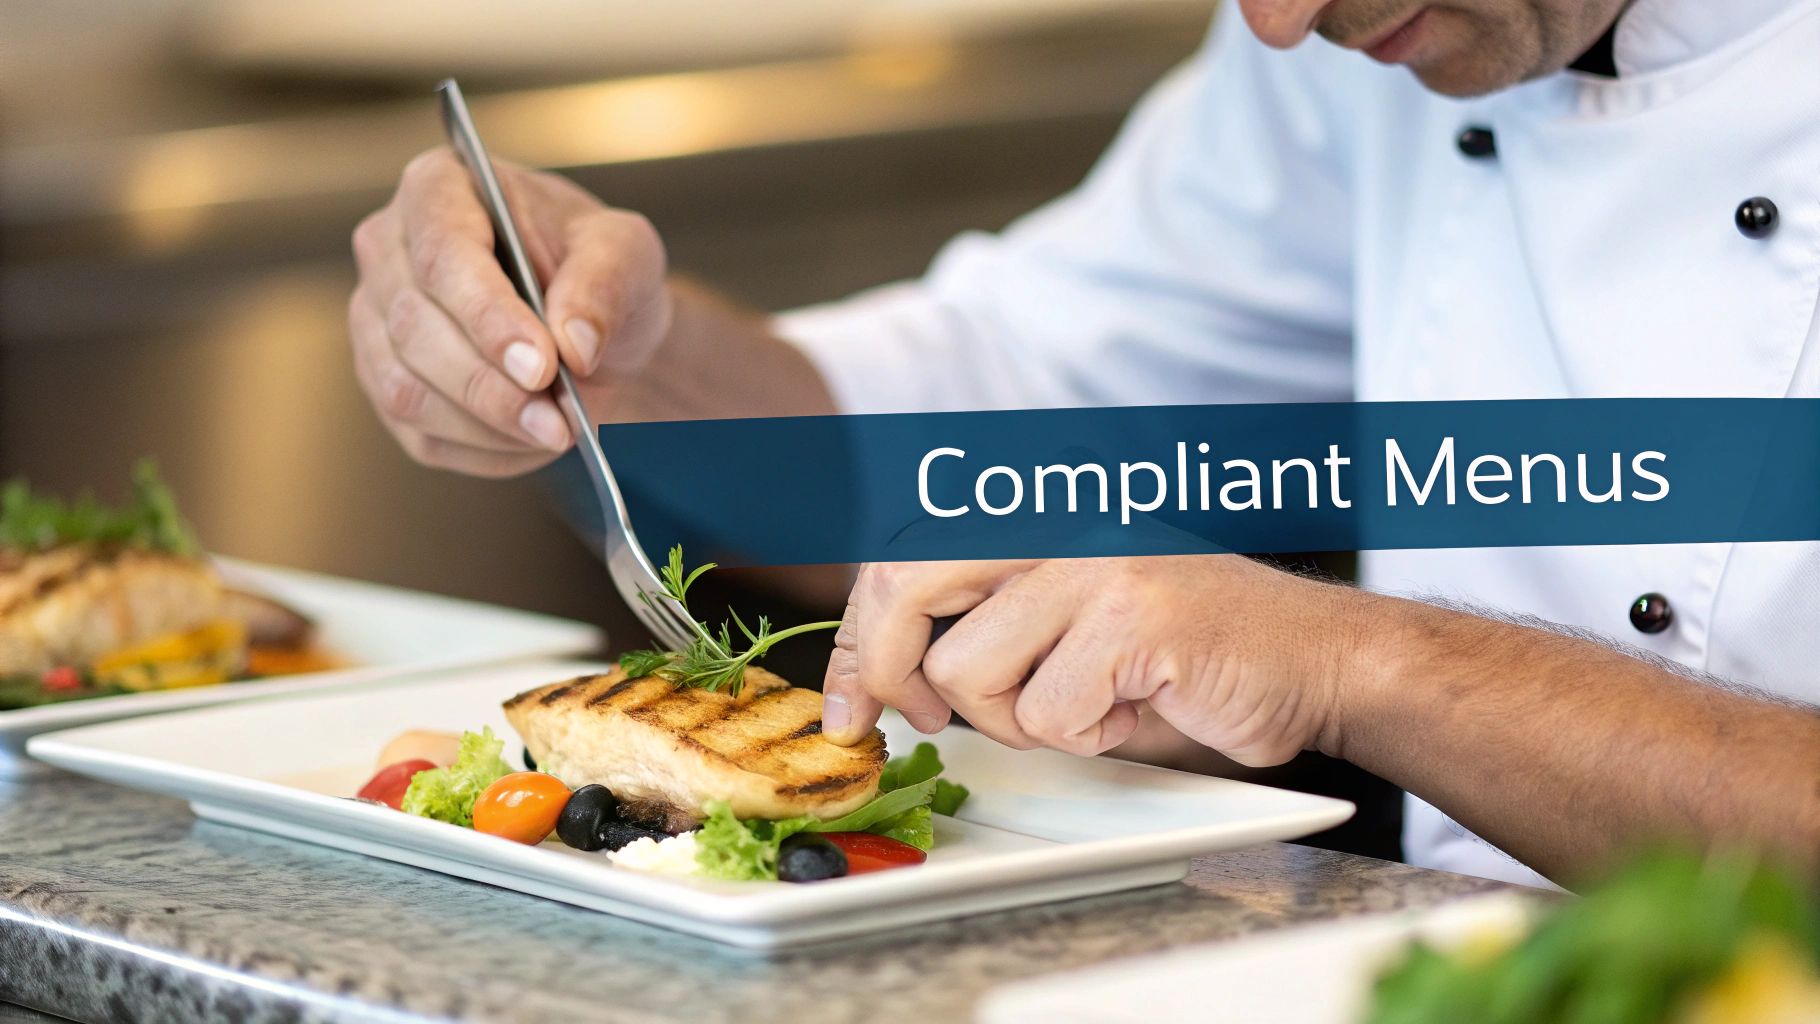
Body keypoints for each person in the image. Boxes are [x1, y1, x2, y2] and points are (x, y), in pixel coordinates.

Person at [347, 0, 1820, 887]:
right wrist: (611, 361)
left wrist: (1352, 660)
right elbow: (991, 414)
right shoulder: (1348, 51)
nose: (1280, 22)